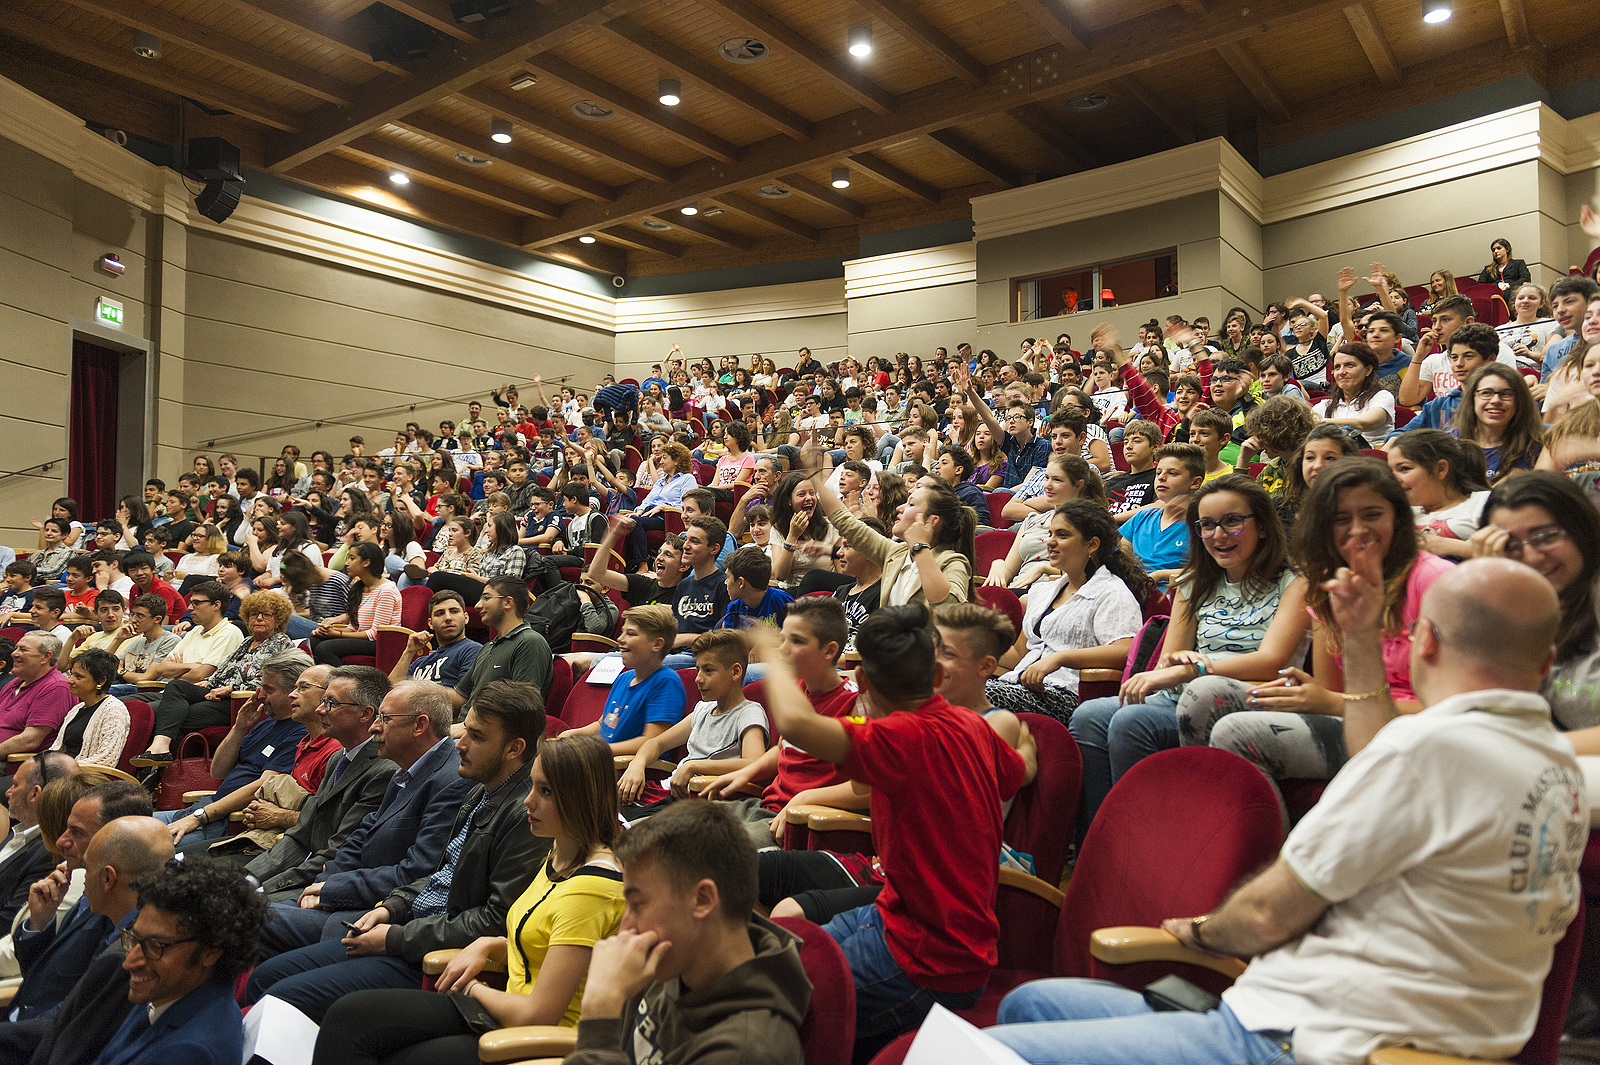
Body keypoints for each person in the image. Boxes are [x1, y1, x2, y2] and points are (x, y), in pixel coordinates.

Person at [987, 556, 1585, 1065]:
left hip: (1305, 1037)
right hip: (1404, 1025)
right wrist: (1356, 641)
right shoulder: (1559, 769)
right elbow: (1387, 753)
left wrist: (1199, 930)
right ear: (1544, 664)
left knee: (995, 1046)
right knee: (1029, 1004)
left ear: (1423, 641)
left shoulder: (1426, 751)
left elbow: (1268, 916)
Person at [754, 605, 1025, 1054]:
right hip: (895, 916)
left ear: (861, 683)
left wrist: (767, 649)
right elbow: (1014, 772)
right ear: (937, 677)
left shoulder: (902, 737)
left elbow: (797, 724)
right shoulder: (974, 726)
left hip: (929, 962)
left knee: (767, 1006)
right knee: (780, 955)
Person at [311, 732, 625, 1064]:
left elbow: (538, 1014)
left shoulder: (591, 889)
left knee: (391, 1050)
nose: (527, 801)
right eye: (532, 786)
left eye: (545, 791)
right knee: (350, 1016)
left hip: (534, 1041)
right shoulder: (560, 851)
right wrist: (489, 945)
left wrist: (473, 988)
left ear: (581, 798)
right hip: (503, 1010)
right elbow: (548, 944)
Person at [244, 680, 545, 1024]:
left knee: (282, 988)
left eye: (475, 736)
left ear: (513, 749)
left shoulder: (525, 814)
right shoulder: (483, 792)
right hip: (404, 921)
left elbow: (496, 919)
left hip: (429, 954)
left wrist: (397, 936)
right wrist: (393, 907)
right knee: (266, 974)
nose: (460, 744)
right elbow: (440, 875)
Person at [1193, 459, 1454, 798]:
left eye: (1372, 515)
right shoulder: (1328, 585)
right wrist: (1307, 694)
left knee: (1236, 732)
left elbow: (1451, 707)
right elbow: (1328, 689)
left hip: (1420, 731)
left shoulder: (1436, 581)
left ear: (1398, 519)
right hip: (1351, 713)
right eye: (1341, 519)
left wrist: (1330, 701)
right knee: (1205, 694)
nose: (1358, 530)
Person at [1072, 476, 1308, 828]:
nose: (1218, 534)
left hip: (1252, 694)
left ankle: (1147, 840)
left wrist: (1198, 669)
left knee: (1131, 721)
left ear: (1261, 526)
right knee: (1089, 716)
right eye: (1207, 525)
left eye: (1232, 521)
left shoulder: (1295, 582)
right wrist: (1181, 664)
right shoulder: (1192, 582)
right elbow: (1171, 658)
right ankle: (1101, 838)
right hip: (1184, 692)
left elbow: (1272, 660)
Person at [562, 800, 808, 1065]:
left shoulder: (747, 1052)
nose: (625, 928)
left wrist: (600, 1012)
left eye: (637, 905)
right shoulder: (669, 961)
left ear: (702, 900)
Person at [257, 680, 474, 953]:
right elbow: (362, 835)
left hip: (374, 915)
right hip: (344, 897)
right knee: (247, 931)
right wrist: (325, 883)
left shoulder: (450, 780)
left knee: (245, 920)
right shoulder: (404, 770)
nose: (374, 727)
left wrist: (333, 889)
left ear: (419, 725)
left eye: (385, 718)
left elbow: (416, 872)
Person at [0, 815, 172, 1065]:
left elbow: (68, 1035)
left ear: (107, 878)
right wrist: (39, 921)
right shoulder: (113, 917)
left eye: (87, 869)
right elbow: (44, 977)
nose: (81, 877)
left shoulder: (128, 956)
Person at [93, 857, 269, 1065]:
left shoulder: (188, 1054)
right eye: (134, 938)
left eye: (156, 945)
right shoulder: (172, 994)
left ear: (211, 952)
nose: (129, 962)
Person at [986, 501, 1149, 725]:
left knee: (981, 698)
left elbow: (1125, 650)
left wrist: (1060, 658)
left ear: (1092, 544)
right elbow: (1019, 653)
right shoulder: (1043, 592)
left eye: (1062, 535)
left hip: (1067, 695)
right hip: (1018, 684)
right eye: (1050, 533)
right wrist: (973, 650)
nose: (1050, 542)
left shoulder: (1111, 591)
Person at [241, 666, 397, 892]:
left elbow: (338, 851)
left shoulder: (383, 771)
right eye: (323, 701)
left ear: (365, 714)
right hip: (305, 869)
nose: (320, 710)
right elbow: (300, 836)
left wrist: (263, 889)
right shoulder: (338, 758)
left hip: (335, 882)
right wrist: (245, 880)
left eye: (331, 703)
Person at [13, 777, 154, 1022]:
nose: (61, 841)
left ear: (111, 839)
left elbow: (74, 1018)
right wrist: (39, 923)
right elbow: (43, 978)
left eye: (76, 832)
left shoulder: (125, 918)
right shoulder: (88, 886)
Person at [152, 651, 312, 847]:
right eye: (260, 687)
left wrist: (200, 817)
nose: (260, 695)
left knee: (143, 844)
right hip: (207, 808)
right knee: (119, 824)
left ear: (293, 692)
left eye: (268, 689)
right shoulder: (265, 724)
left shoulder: (299, 732)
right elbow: (217, 770)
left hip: (228, 821)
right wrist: (239, 728)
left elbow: (261, 787)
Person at [128, 591, 293, 766]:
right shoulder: (247, 642)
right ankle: (160, 750)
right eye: (254, 614)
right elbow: (222, 670)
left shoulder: (281, 644)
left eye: (266, 615)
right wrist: (210, 682)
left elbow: (269, 683)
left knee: (164, 715)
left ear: (278, 619)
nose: (259, 618)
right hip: (213, 692)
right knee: (177, 686)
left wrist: (230, 689)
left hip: (237, 702)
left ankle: (158, 760)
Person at [618, 629, 768, 817]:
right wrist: (637, 764)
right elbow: (656, 743)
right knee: (603, 807)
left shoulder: (749, 712)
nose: (698, 678)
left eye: (708, 670)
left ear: (736, 672)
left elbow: (754, 763)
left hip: (700, 803)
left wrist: (693, 766)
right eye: (698, 670)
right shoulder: (703, 709)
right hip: (669, 792)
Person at [577, 605, 685, 754]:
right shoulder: (623, 678)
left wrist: (597, 751)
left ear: (657, 644)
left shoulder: (666, 682)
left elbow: (651, 742)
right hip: (604, 760)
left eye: (631, 634)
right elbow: (601, 725)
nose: (620, 639)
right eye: (622, 632)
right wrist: (572, 735)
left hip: (631, 769)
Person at [450, 577, 553, 719]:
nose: (477, 606)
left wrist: (467, 727)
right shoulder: (488, 647)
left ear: (508, 602)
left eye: (486, 598)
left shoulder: (530, 642)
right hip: (464, 731)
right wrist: (420, 690)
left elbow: (523, 709)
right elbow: (460, 696)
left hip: (481, 734)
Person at [0, 753, 73, 932]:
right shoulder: (22, 831)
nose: (8, 792)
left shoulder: (50, 853)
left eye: (15, 785)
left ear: (35, 794)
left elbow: (8, 923)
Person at [1387, 429, 1490, 556]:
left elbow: (1511, 555)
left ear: (1441, 469)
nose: (1393, 479)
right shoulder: (1397, 512)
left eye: (1404, 469)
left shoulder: (1485, 502)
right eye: (1390, 471)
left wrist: (1453, 547)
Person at [310, 542, 402, 667]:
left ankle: (340, 683)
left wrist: (338, 634)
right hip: (366, 638)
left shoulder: (386, 590)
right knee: (313, 640)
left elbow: (376, 633)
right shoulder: (360, 587)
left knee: (324, 648)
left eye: (352, 558)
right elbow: (354, 627)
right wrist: (329, 630)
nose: (346, 563)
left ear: (366, 562)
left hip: (382, 644)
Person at [1120, 443, 1203, 581]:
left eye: (1172, 473)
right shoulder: (1142, 516)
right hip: (1131, 590)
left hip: (1172, 594)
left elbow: (1204, 572)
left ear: (1195, 483)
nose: (1161, 478)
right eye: (1158, 472)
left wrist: (1160, 575)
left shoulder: (1202, 525)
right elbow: (1121, 558)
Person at [1455, 363, 1543, 482]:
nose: (1495, 400)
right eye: (1486, 393)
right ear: (1472, 399)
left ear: (1520, 401)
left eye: (1506, 394)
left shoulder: (1536, 448)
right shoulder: (1451, 443)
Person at [386, 589, 482, 687]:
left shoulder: (473, 650)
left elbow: (464, 696)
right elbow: (389, 692)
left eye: (454, 611)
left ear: (466, 618)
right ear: (430, 623)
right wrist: (408, 652)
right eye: (440, 613)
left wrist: (415, 688)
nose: (448, 618)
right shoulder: (420, 662)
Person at [0, 633, 73, 759]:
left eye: (23, 649)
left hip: (18, 764)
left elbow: (31, 739)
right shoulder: (15, 683)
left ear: (46, 656)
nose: (14, 653)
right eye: (16, 648)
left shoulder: (56, 687)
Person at [50, 650, 129, 767]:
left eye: (78, 677)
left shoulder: (114, 710)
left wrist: (63, 768)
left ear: (101, 681)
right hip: (63, 771)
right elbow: (56, 749)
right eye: (71, 674)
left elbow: (106, 760)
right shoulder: (76, 709)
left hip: (83, 778)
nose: (69, 680)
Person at [1318, 341, 1395, 446]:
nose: (1341, 372)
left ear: (1368, 370)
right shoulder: (1326, 404)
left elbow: (1362, 424)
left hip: (1370, 459)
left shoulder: (1382, 396)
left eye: (1349, 365)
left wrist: (1320, 422)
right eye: (1337, 367)